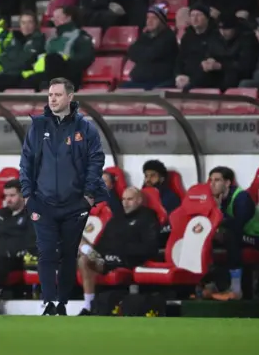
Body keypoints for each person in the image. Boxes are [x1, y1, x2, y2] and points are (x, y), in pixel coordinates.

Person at [20, 77, 108, 316]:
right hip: (43, 203)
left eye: (58, 95)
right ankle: (48, 303)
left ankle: (63, 304)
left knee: (68, 254)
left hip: (75, 204)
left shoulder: (85, 128)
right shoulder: (38, 127)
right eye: (50, 95)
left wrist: (89, 196)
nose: (53, 99)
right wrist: (28, 195)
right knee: (47, 252)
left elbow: (96, 161)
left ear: (70, 97)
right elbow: (26, 162)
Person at [77, 186, 159, 315]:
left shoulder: (147, 217)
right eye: (123, 199)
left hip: (124, 261)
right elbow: (103, 242)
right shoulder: (117, 218)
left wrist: (122, 249)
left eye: (130, 199)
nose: (125, 203)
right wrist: (97, 253)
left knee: (85, 258)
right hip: (103, 259)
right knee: (80, 248)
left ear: (139, 200)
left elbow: (150, 247)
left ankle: (90, 305)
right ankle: (88, 305)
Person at [208, 166, 259, 300]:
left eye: (217, 180)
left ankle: (236, 289)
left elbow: (238, 224)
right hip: (237, 236)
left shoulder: (241, 197)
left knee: (231, 236)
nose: (212, 184)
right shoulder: (213, 199)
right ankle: (210, 283)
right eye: (210, 180)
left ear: (227, 183)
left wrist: (219, 213)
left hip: (257, 239)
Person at [0, 179, 36, 314]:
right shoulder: (1, 213)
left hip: (16, 258)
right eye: (6, 196)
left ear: (23, 196)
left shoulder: (31, 214)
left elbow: (31, 240)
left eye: (12, 195)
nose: (8, 199)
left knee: (1, 263)